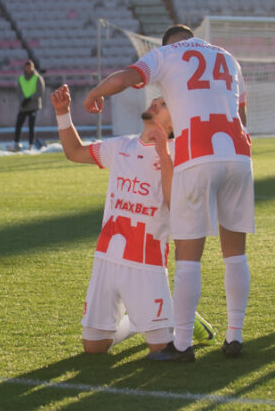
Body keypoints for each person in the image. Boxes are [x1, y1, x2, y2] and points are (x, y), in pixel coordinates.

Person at [84, 24, 253, 361]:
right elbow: (242, 114)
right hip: (238, 152)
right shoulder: (229, 58)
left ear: (168, 43)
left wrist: (94, 94)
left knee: (189, 255)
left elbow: (125, 77)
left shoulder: (167, 54)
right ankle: (235, 337)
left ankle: (183, 343)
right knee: (235, 252)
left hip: (196, 152)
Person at [50, 83, 216, 356]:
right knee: (93, 347)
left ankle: (170, 316)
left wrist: (163, 155)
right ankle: (151, 317)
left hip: (146, 263)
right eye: (157, 100)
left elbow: (175, 205)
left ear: (175, 122)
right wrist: (62, 112)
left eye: (163, 104)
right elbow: (74, 152)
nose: (155, 103)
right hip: (107, 257)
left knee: (161, 350)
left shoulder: (178, 156)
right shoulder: (121, 146)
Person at [13, 60, 44, 152]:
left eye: (30, 67)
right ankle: (16, 143)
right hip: (24, 106)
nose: (28, 69)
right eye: (27, 67)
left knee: (31, 125)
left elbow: (40, 91)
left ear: (33, 67)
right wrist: (23, 99)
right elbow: (18, 91)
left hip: (33, 106)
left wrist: (30, 98)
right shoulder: (21, 78)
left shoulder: (37, 78)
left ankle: (31, 145)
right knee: (18, 124)